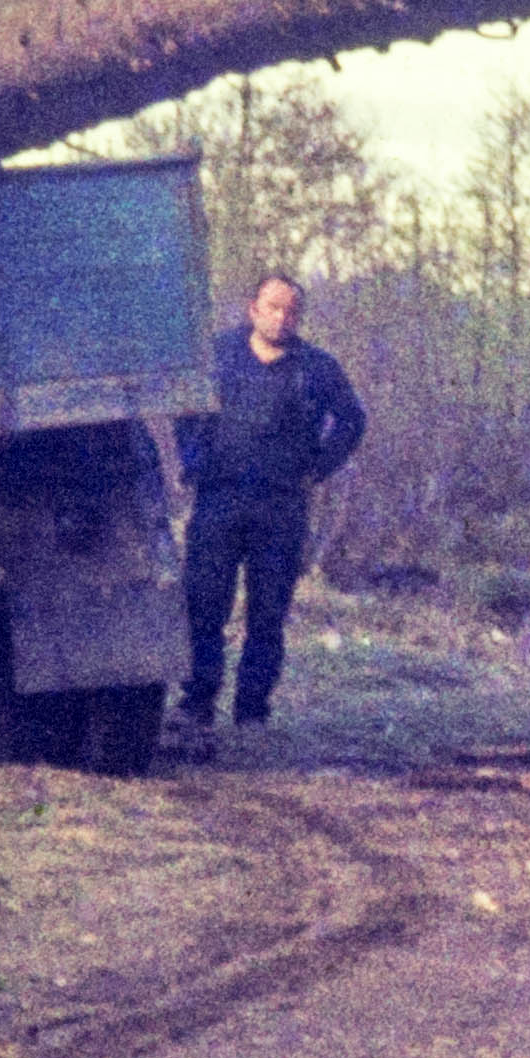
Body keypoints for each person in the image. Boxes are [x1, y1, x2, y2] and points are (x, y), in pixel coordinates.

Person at [176, 269, 368, 750]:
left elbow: (352, 419)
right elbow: (184, 408)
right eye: (273, 308)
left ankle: (252, 713)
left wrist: (318, 468)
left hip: (281, 508)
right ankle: (197, 704)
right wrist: (193, 461)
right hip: (218, 500)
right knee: (204, 605)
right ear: (253, 309)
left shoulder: (316, 367)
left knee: (267, 613)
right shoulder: (218, 355)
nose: (281, 318)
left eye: (291, 311)